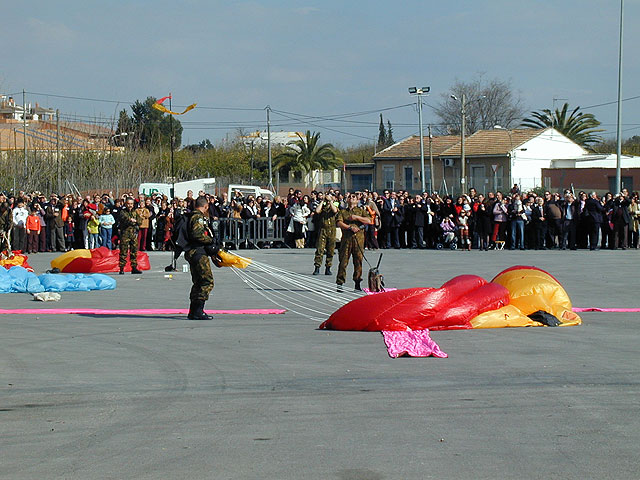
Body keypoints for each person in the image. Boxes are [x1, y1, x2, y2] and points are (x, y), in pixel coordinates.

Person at [184, 196, 221, 320]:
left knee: (198, 282)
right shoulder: (198, 217)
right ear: (205, 207)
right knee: (206, 281)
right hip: (198, 252)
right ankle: (198, 310)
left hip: (193, 252)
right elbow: (197, 234)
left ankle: (193, 311)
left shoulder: (191, 216)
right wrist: (211, 241)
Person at [336, 193, 372, 292]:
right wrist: (349, 227)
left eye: (354, 197)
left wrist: (357, 218)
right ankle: (340, 283)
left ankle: (357, 282)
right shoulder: (343, 212)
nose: (351, 199)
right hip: (346, 240)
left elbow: (369, 220)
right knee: (343, 262)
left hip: (358, 240)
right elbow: (339, 222)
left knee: (358, 261)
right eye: (350, 197)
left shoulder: (361, 211)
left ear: (357, 200)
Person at [313, 192, 338, 275]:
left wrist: (330, 201)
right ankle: (317, 267)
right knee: (320, 249)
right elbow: (317, 211)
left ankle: (328, 267)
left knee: (330, 250)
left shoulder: (335, 205)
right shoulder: (323, 206)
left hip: (332, 230)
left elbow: (335, 210)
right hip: (323, 229)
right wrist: (323, 200)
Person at [118, 198, 143, 275]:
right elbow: (124, 219)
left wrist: (135, 221)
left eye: (131, 204)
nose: (130, 205)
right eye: (128, 204)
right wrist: (131, 220)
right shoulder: (123, 212)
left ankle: (134, 267)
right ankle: (121, 268)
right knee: (123, 251)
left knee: (134, 251)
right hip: (125, 234)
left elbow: (140, 221)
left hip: (133, 234)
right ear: (126, 204)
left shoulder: (135, 212)